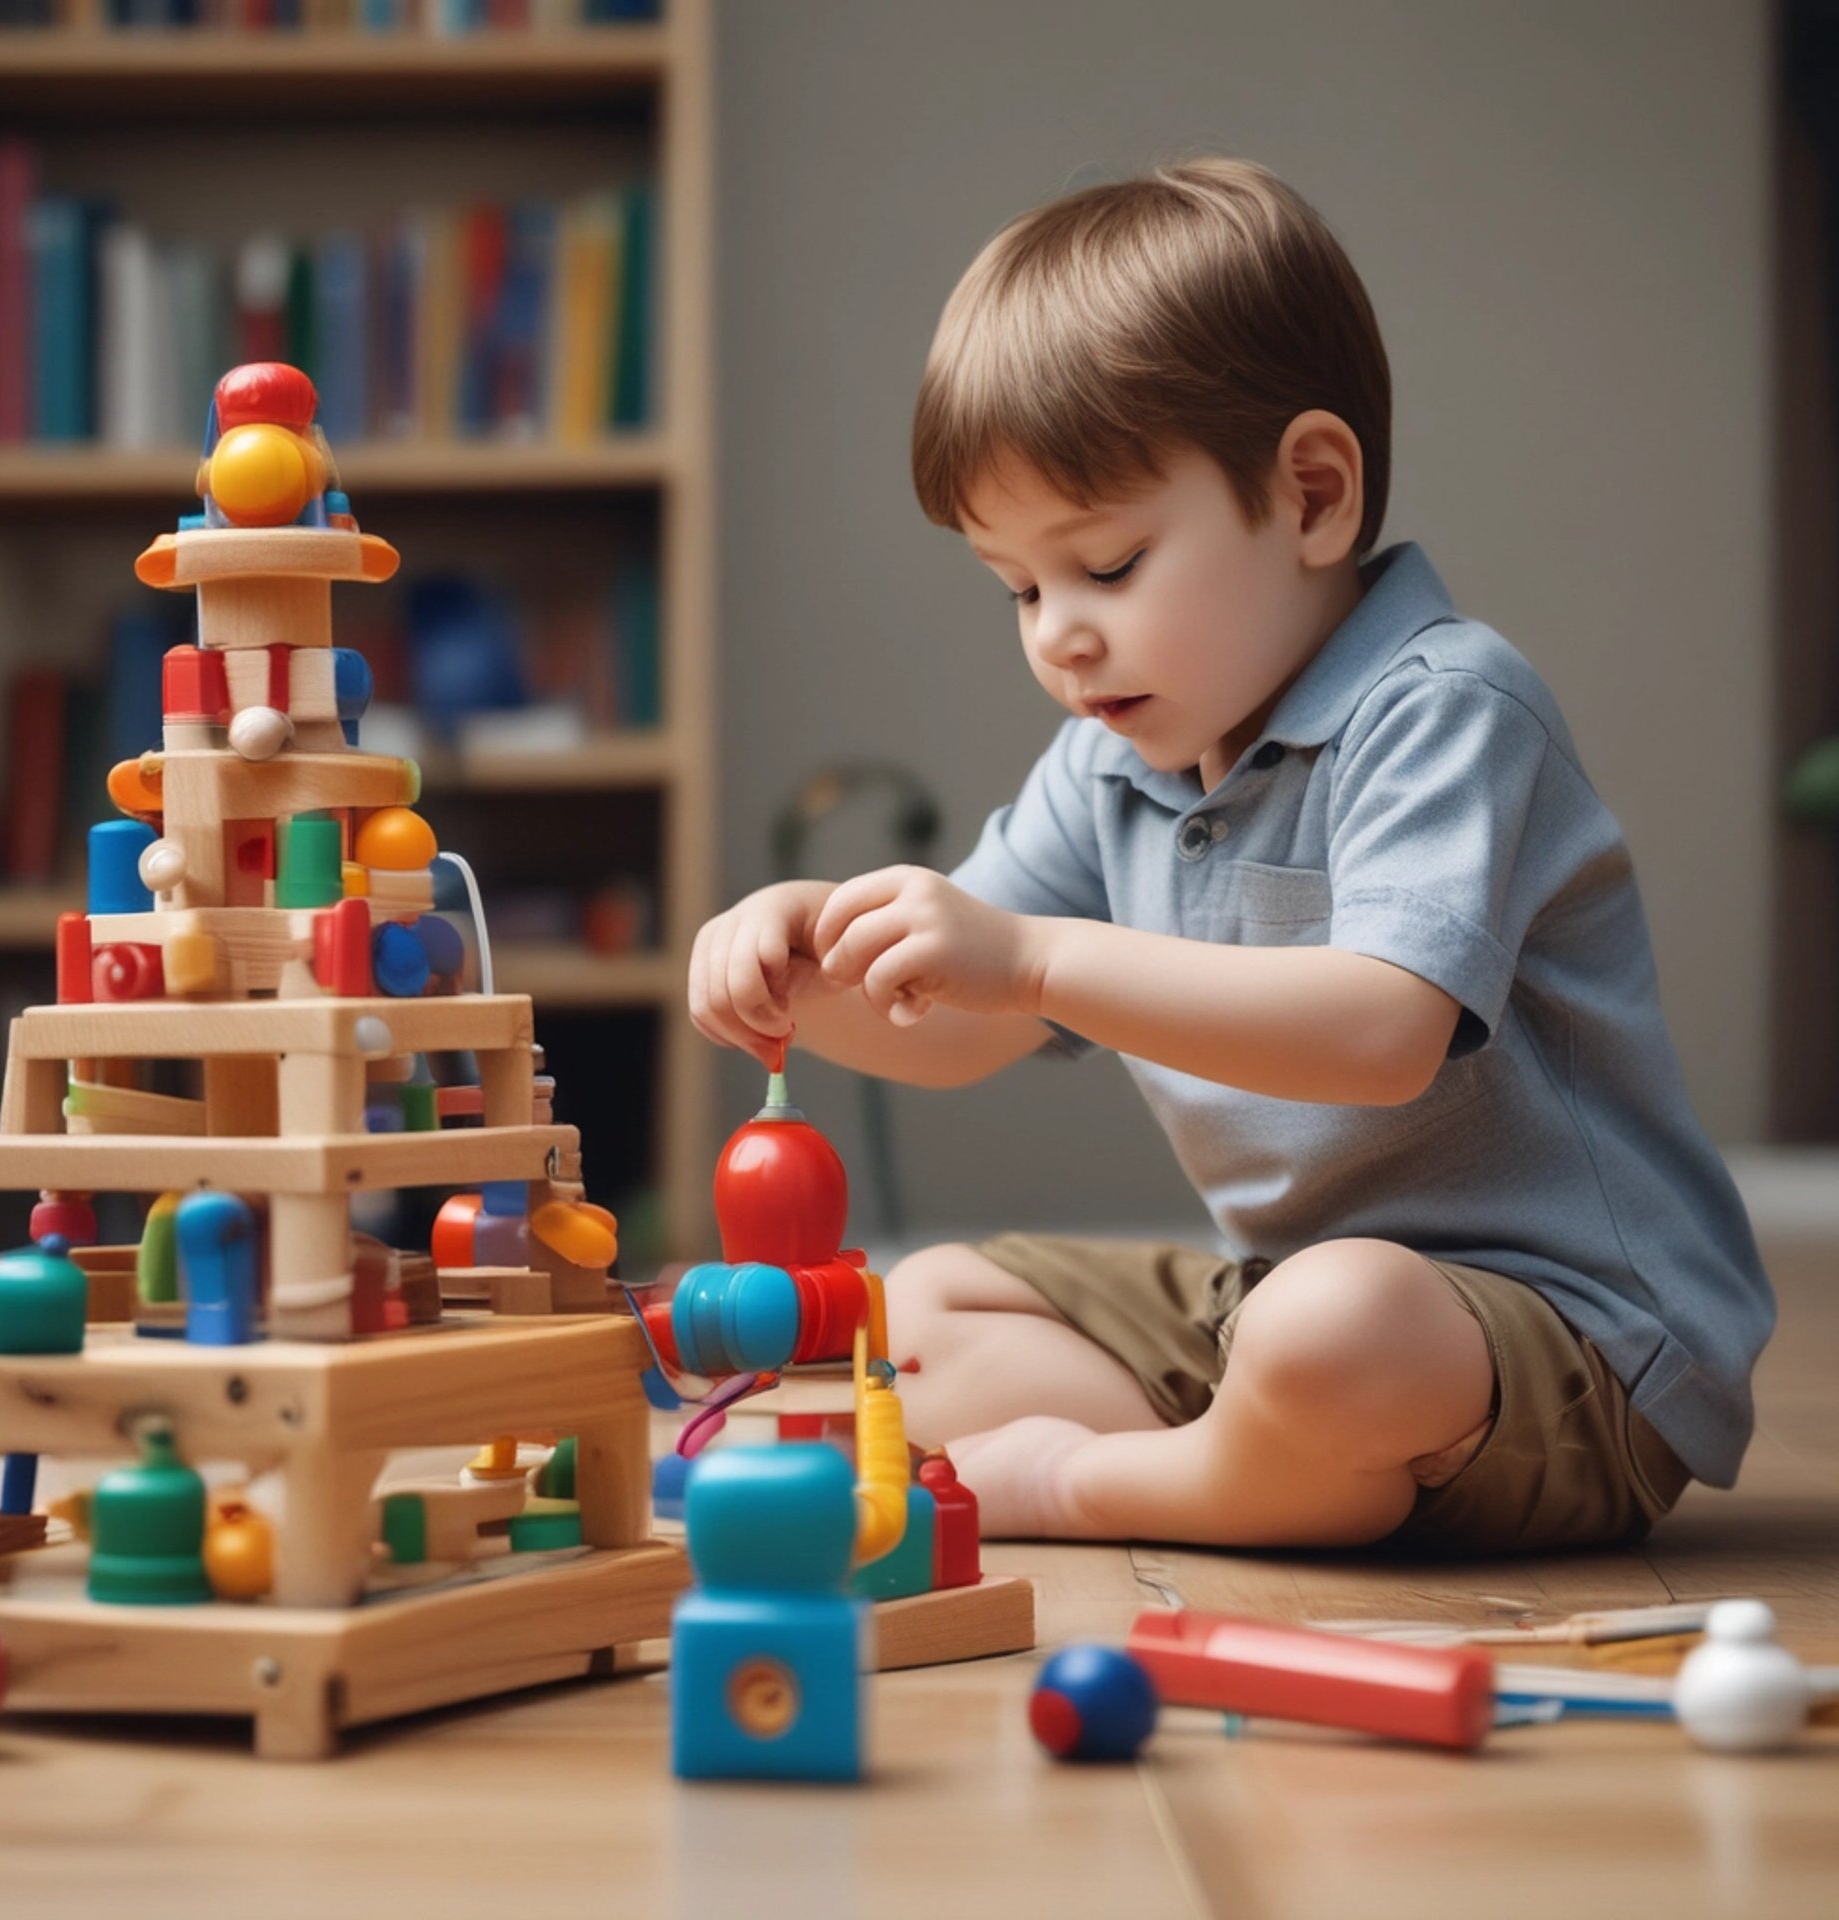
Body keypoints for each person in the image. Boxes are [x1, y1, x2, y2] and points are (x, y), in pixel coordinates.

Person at [687, 157, 1774, 1554]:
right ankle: (1269, 1462)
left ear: (1313, 494)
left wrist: (1030, 958)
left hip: (1568, 1346)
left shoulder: (1444, 707)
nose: (1058, 635)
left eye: (1111, 565)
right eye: (1019, 588)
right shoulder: (1114, 759)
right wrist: (813, 961)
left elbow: (1382, 1032)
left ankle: (1098, 1484)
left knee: (1331, 1330)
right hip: (1288, 1291)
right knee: (930, 1308)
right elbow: (962, 1024)